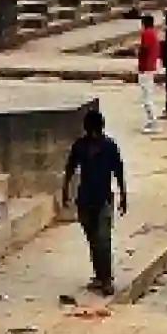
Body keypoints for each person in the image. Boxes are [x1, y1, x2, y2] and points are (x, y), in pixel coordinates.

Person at [62, 109, 127, 296]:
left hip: (104, 198)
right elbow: (70, 169)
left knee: (103, 240)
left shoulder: (109, 147)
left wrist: (123, 195)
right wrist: (65, 191)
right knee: (93, 239)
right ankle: (99, 276)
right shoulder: (80, 146)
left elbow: (119, 172)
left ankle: (107, 279)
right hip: (85, 199)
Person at [136, 13, 161, 134]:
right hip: (150, 67)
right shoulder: (154, 33)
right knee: (147, 95)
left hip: (146, 68)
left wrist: (138, 52)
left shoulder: (146, 34)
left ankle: (153, 122)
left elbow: (144, 49)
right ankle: (152, 121)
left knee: (147, 98)